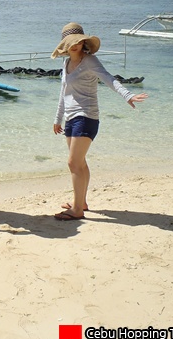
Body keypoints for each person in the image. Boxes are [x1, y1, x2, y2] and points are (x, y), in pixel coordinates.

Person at [51, 22, 149, 221]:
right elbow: (63, 93)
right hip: (70, 118)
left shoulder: (90, 61)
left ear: (83, 41)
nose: (75, 46)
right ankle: (81, 202)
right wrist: (57, 118)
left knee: (73, 162)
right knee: (80, 162)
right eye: (70, 43)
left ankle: (77, 209)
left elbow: (109, 79)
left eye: (77, 42)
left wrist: (127, 95)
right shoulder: (66, 63)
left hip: (86, 116)